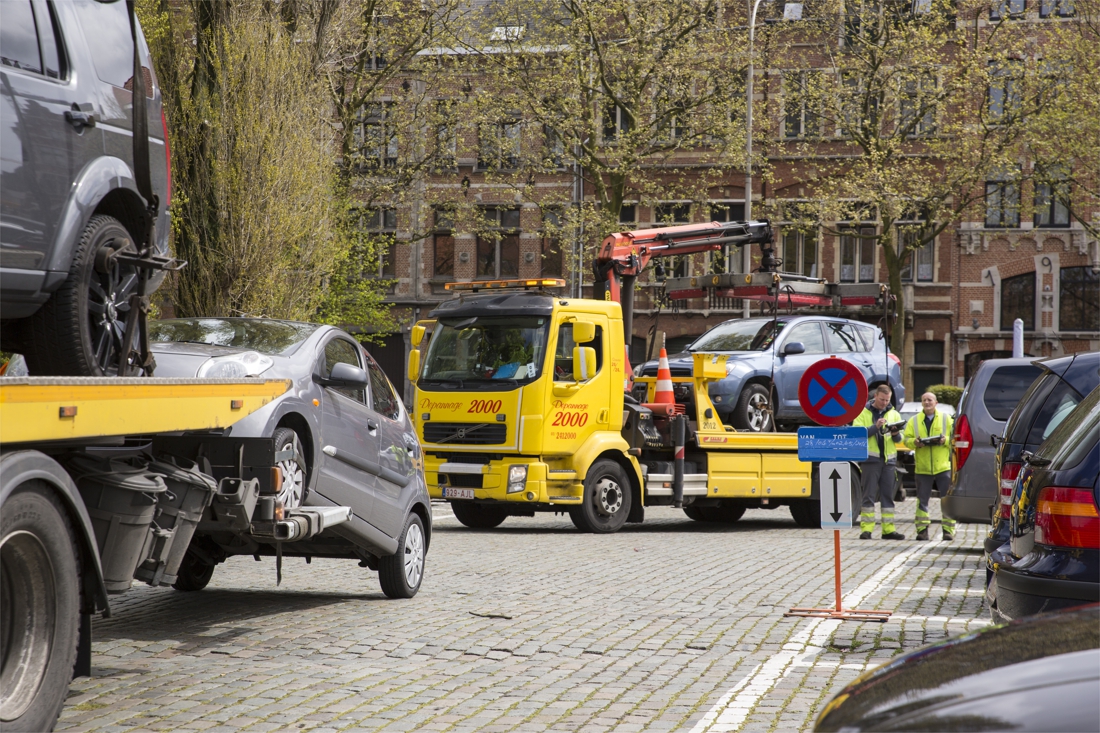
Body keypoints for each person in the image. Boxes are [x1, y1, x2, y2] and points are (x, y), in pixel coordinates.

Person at [853, 385, 905, 540]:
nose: (884, 403)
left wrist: (895, 432)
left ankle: (888, 530)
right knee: (868, 495)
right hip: (870, 460)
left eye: (887, 400)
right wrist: (875, 427)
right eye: (882, 399)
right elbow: (858, 434)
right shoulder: (863, 413)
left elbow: (898, 439)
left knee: (887, 496)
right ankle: (866, 530)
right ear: (875, 396)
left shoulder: (894, 414)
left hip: (889, 461)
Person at [903, 392, 956, 541]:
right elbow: (906, 439)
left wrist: (945, 440)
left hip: (943, 466)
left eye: (930, 400)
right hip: (923, 467)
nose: (927, 402)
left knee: (946, 500)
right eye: (924, 400)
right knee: (922, 500)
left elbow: (955, 438)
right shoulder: (914, 421)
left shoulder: (946, 419)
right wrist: (915, 442)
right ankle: (922, 531)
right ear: (921, 403)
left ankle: (948, 531)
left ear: (936, 402)